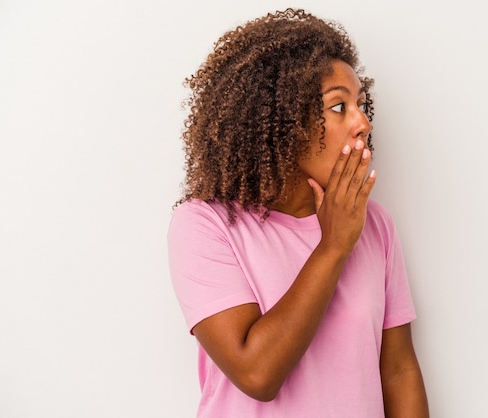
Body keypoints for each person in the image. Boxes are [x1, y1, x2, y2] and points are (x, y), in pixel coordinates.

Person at [168, 8, 429, 418]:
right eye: (338, 107)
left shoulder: (375, 224)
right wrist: (333, 246)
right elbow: (257, 374)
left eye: (360, 104)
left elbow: (397, 370)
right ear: (283, 122)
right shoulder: (206, 225)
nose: (362, 123)